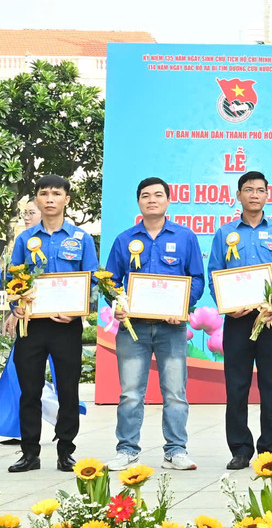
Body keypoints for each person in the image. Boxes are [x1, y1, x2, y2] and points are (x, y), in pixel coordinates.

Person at [105, 177, 205, 471]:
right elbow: (110, 281)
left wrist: (184, 306)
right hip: (132, 330)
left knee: (175, 392)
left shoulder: (185, 237)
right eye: (145, 195)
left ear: (168, 200)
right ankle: (126, 450)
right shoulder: (124, 239)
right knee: (130, 393)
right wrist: (118, 306)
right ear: (138, 202)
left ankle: (176, 450)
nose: (152, 200)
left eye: (158, 195)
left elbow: (197, 278)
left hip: (171, 328)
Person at [4, 175, 97, 473]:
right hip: (31, 326)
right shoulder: (24, 239)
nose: (50, 198)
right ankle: (29, 453)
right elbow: (12, 280)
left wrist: (77, 311)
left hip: (66, 325)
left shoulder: (81, 239)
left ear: (66, 199)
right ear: (37, 200)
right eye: (44, 193)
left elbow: (92, 280)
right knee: (29, 390)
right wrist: (16, 306)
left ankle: (66, 451)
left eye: (56, 193)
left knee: (68, 389)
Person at [207, 171, 272, 470]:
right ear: (238, 195)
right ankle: (240, 449)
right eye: (248, 190)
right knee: (237, 386)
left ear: (268, 195)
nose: (254, 195)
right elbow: (214, 274)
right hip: (237, 321)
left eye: (260, 190)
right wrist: (226, 306)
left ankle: (269, 449)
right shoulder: (225, 233)